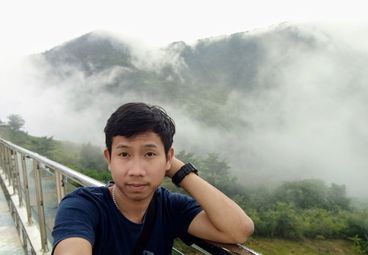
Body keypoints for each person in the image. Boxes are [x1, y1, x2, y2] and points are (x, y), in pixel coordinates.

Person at [52, 102, 254, 255]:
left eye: (149, 154)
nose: (137, 170)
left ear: (168, 158)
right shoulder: (82, 206)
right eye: (124, 154)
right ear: (109, 158)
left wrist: (178, 170)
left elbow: (239, 230)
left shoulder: (170, 207)